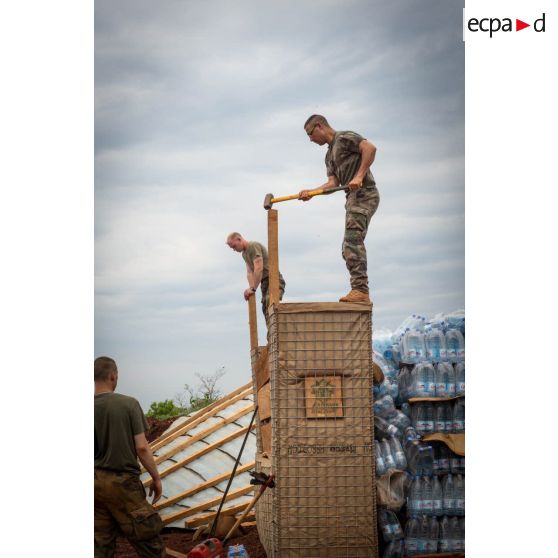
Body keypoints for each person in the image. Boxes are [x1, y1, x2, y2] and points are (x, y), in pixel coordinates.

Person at [299, 114, 380, 304]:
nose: (310, 139)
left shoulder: (344, 138)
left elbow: (370, 148)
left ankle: (360, 290)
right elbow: (333, 183)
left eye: (310, 134)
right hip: (352, 198)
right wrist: (312, 192)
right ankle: (358, 289)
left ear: (319, 126)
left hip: (365, 194)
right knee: (347, 247)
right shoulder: (329, 156)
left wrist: (359, 176)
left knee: (352, 241)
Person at [94, 356, 167, 558]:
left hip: (94, 484)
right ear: (113, 376)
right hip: (123, 484)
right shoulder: (129, 404)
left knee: (100, 545)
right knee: (148, 541)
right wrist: (156, 478)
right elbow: (142, 448)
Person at [226, 232, 285, 321]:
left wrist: (253, 289)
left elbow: (258, 268)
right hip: (264, 282)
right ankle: (271, 334)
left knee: (271, 303)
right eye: (232, 248)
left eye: (234, 246)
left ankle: (278, 332)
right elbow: (250, 272)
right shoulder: (244, 254)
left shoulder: (253, 246)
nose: (234, 250)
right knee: (265, 309)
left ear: (239, 239)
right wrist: (250, 289)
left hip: (273, 278)